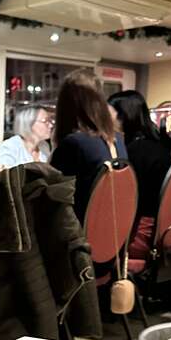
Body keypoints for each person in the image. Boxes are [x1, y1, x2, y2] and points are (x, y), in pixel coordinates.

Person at [50, 69, 127, 224]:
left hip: (78, 236)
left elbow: (53, 199)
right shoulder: (118, 139)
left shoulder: (74, 143)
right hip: (112, 233)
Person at [109, 90, 171, 258]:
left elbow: (125, 201)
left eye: (108, 112)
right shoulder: (160, 144)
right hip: (165, 229)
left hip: (140, 233)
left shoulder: (132, 153)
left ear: (123, 115)